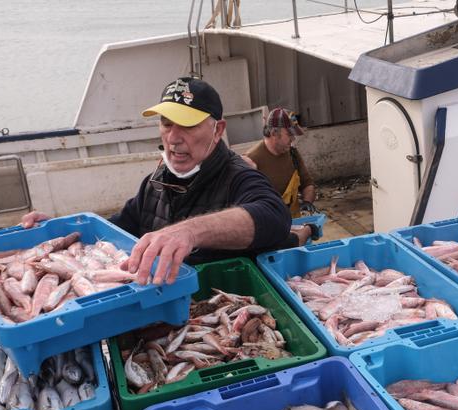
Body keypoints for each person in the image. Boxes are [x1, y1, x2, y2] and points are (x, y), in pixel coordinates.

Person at [21, 77, 292, 285]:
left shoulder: (239, 176)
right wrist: (59, 230)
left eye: (187, 124)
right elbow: (112, 230)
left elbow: (274, 216)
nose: (173, 137)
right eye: (166, 123)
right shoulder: (155, 182)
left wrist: (190, 231)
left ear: (218, 130)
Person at [246, 107, 320, 246]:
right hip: (269, 234)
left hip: (296, 226)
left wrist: (307, 203)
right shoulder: (251, 161)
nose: (293, 139)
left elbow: (307, 183)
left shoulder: (293, 155)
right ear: (274, 133)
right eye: (289, 134)